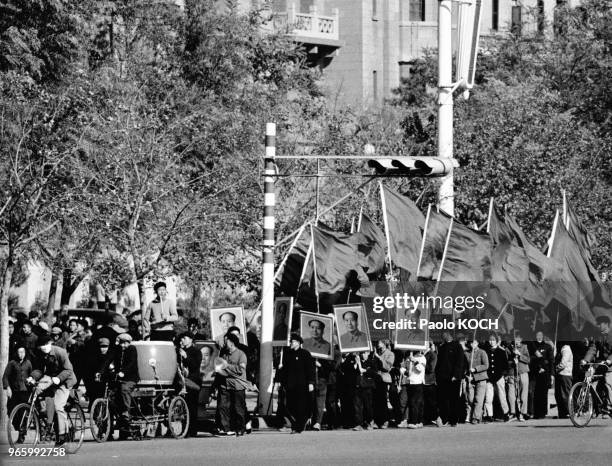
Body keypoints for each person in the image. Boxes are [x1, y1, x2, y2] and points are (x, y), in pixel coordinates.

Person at [28, 335, 77, 446]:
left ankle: (63, 434)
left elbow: (69, 370)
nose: (44, 347)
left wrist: (59, 378)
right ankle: (48, 424)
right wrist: (32, 377)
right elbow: (39, 369)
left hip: (65, 380)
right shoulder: (40, 354)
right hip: (51, 378)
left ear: (50, 343)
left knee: (59, 406)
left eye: (46, 345)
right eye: (41, 346)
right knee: (37, 390)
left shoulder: (60, 352)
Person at [101, 333, 139, 437]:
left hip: (130, 378)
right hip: (118, 377)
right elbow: (108, 360)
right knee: (111, 393)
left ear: (128, 343)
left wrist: (124, 372)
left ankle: (126, 411)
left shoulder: (132, 349)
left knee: (124, 389)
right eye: (121, 343)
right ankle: (115, 417)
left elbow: (132, 363)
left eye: (125, 343)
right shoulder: (116, 349)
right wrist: (100, 371)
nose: (122, 345)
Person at [278, 333, 315, 434]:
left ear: (298, 343)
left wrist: (311, 383)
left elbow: (310, 369)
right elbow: (284, 370)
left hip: (302, 385)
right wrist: (280, 380)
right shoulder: (287, 354)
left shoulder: (305, 354)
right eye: (291, 341)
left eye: (293, 341)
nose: (291, 343)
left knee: (301, 407)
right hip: (290, 385)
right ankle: (297, 424)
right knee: (290, 406)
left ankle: (298, 426)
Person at [216, 333, 249, 436]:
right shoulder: (224, 354)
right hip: (225, 384)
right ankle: (226, 428)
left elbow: (241, 369)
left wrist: (227, 366)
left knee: (238, 408)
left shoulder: (241, 354)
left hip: (237, 385)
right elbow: (220, 367)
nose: (224, 342)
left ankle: (240, 428)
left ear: (231, 343)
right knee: (222, 406)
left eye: (226, 340)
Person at [582, 315, 612, 416]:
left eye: (600, 324)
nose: (598, 326)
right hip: (599, 364)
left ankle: (608, 408)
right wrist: (585, 360)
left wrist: (609, 361)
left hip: (610, 365)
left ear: (606, 324)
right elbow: (592, 349)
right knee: (587, 376)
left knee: (608, 383)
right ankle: (591, 406)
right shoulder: (597, 336)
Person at [3, 346, 33, 442]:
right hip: (14, 392)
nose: (21, 354)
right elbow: (5, 377)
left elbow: (32, 375)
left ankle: (21, 435)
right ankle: (17, 427)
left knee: (22, 414)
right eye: (19, 352)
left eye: (23, 352)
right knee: (11, 411)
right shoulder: (12, 363)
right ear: (16, 353)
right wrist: (7, 388)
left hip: (25, 392)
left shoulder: (28, 363)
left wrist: (31, 381)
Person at [435, 332, 465, 427]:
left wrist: (456, 375)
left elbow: (460, 362)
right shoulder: (442, 347)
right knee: (443, 399)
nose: (443, 336)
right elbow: (439, 363)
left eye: (445, 335)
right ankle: (445, 418)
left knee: (454, 399)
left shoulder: (457, 346)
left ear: (449, 335)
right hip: (443, 377)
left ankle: (454, 420)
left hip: (453, 378)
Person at [178, 332, 203, 437]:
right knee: (184, 407)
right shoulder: (180, 351)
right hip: (182, 380)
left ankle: (192, 430)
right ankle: (184, 429)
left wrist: (186, 356)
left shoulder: (196, 351)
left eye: (184, 338)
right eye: (181, 338)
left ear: (191, 339)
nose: (182, 340)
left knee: (192, 406)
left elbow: (195, 365)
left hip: (193, 381)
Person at [484, 333, 510, 422]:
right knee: (488, 397)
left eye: (493, 340)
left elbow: (505, 365)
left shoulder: (501, 351)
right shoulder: (486, 351)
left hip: (499, 376)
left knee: (502, 396)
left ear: (497, 341)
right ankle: (489, 415)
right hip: (488, 377)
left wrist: (504, 375)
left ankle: (506, 413)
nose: (491, 342)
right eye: (490, 340)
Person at [529, 331, 553, 419]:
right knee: (534, 394)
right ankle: (535, 412)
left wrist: (551, 374)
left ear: (543, 336)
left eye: (540, 335)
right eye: (537, 335)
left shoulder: (547, 347)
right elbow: (530, 359)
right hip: (535, 373)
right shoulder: (532, 347)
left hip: (544, 374)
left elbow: (551, 361)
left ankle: (543, 412)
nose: (539, 336)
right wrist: (537, 365)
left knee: (543, 394)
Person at [507, 333, 530, 421]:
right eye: (515, 339)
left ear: (521, 339)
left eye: (518, 339)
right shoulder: (508, 349)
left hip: (523, 372)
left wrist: (519, 355)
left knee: (523, 394)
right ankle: (513, 412)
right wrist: (512, 362)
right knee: (512, 394)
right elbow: (506, 363)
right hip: (512, 373)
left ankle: (522, 413)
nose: (517, 341)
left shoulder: (524, 347)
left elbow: (528, 360)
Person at [465, 339, 489, 424]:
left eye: (474, 343)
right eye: (471, 343)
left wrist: (475, 369)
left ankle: (476, 417)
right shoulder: (466, 353)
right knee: (470, 399)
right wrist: (467, 375)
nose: (472, 345)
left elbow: (486, 365)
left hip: (481, 379)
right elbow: (464, 366)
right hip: (470, 379)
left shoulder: (482, 352)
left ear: (477, 343)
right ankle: (478, 414)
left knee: (478, 399)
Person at [372, 339, 394, 428]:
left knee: (383, 400)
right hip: (376, 379)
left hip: (384, 379)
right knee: (376, 401)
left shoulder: (390, 354)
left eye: (380, 343)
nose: (378, 344)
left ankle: (385, 420)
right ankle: (377, 421)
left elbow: (388, 367)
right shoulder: (378, 353)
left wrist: (378, 357)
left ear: (384, 344)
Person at [423, 341, 441, 427]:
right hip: (421, 381)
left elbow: (431, 368)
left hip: (429, 381)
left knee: (431, 402)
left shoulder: (432, 355)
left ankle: (437, 418)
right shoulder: (419, 354)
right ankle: (426, 419)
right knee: (423, 401)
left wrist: (421, 363)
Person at [554, 341, 573, 418]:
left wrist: (555, 369)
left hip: (565, 374)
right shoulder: (561, 349)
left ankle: (568, 412)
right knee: (558, 394)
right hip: (560, 374)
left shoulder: (566, 349)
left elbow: (563, 363)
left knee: (565, 394)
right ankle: (561, 413)